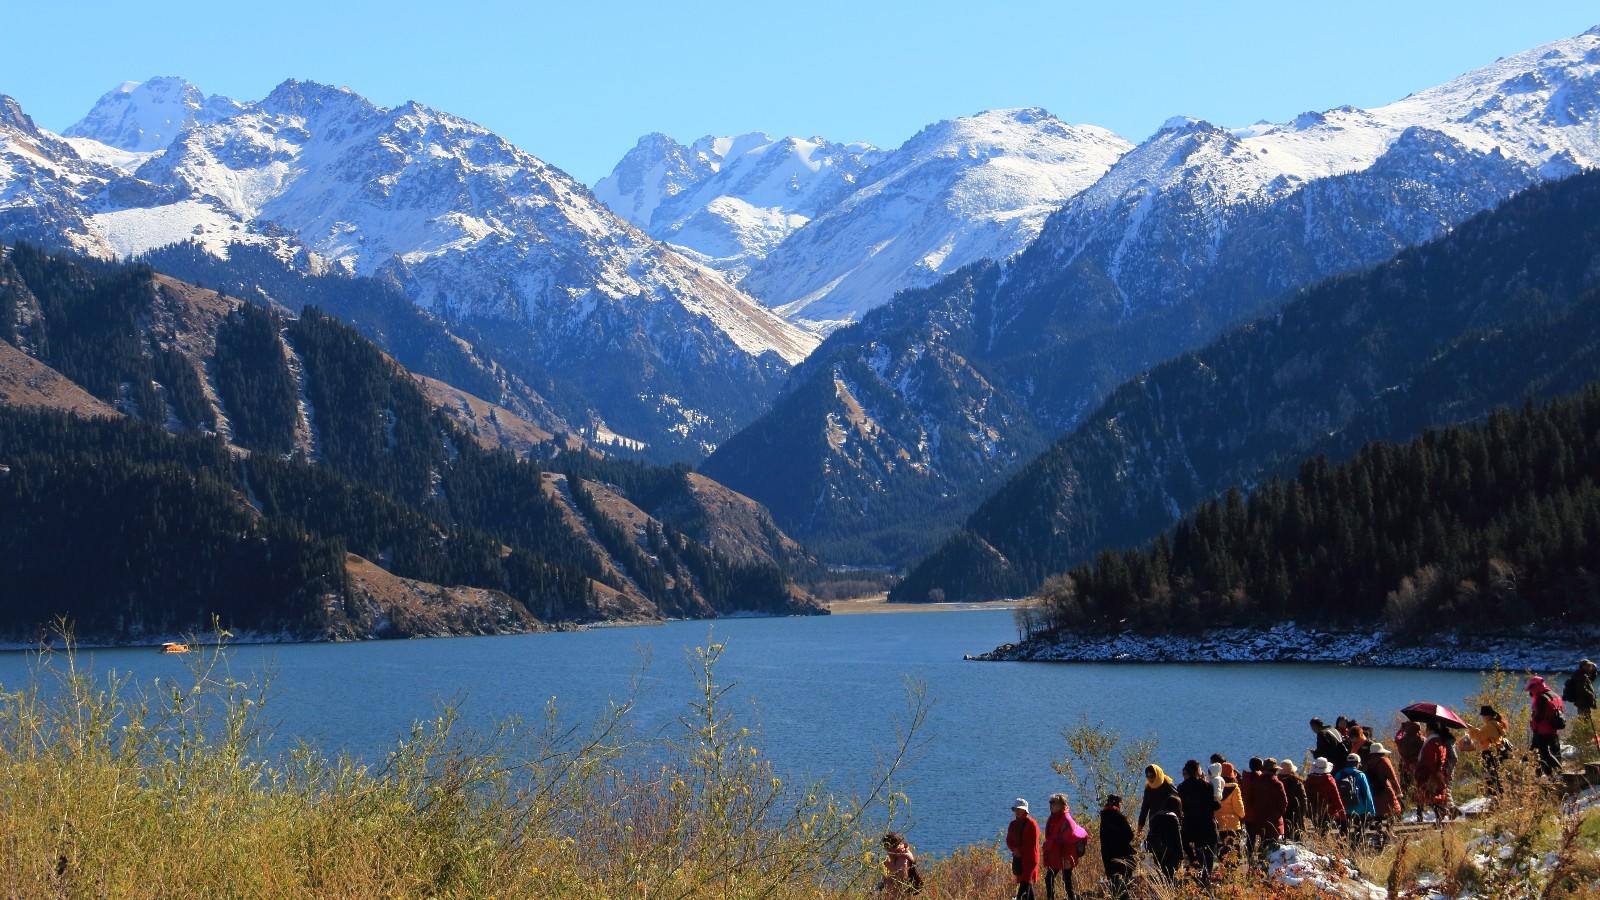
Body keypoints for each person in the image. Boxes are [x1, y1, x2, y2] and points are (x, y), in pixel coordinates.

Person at [1177, 760, 1221, 883]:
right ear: (1197, 771)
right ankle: (1206, 878)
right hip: (1206, 825)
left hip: (1190, 826)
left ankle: (1197, 876)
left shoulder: (1181, 787)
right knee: (1209, 854)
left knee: (1196, 854)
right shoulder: (1207, 786)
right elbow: (1213, 805)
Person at [1041, 793, 1088, 900]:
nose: (1051, 805)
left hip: (1066, 854)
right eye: (1050, 803)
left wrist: (1056, 843)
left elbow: (1068, 836)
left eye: (1054, 803)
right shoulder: (1053, 818)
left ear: (1061, 805)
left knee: (1066, 880)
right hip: (1056, 854)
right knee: (1049, 879)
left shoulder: (1067, 819)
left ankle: (1070, 898)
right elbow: (1049, 836)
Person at [1243, 757, 1288, 860]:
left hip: (1258, 820)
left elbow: (1251, 800)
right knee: (1273, 848)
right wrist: (1278, 815)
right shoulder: (1277, 784)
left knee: (1261, 847)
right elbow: (1284, 803)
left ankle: (1259, 866)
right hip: (1274, 821)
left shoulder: (1256, 782)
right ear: (1275, 770)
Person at [1364, 743, 1404, 848]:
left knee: (1378, 815)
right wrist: (1399, 791)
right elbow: (1392, 777)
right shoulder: (1384, 761)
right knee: (1393, 811)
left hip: (1373, 792)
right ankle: (1389, 834)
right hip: (1385, 791)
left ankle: (1379, 835)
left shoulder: (1368, 762)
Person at [1467, 705, 1512, 796]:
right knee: (1496, 774)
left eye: (1483, 716)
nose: (1482, 718)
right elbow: (1484, 735)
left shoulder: (1490, 725)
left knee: (1489, 775)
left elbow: (1479, 736)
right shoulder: (1496, 724)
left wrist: (1471, 729)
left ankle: (1494, 796)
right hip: (1495, 752)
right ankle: (1499, 795)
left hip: (1489, 753)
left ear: (1487, 716)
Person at [1529, 675, 1569, 777]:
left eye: (1531, 688)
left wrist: (1533, 718)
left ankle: (1556, 773)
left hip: (1542, 730)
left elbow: (1539, 717)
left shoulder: (1541, 698)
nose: (1531, 692)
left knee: (1540, 753)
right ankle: (1550, 774)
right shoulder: (1555, 695)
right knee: (1555, 752)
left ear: (1536, 686)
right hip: (1554, 728)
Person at [1334, 753, 1376, 845]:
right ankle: (1356, 850)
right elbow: (1367, 794)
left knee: (1344, 833)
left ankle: (1343, 852)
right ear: (1357, 763)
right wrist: (1371, 811)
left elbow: (1334, 792)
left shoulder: (1339, 774)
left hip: (1343, 810)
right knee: (1359, 833)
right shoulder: (1360, 775)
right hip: (1359, 810)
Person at [1099, 795, 1136, 900]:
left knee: (1115, 885)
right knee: (1125, 883)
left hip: (1108, 856)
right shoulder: (1119, 817)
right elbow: (1130, 835)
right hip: (1122, 855)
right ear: (1118, 804)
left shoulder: (1104, 818)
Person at [1413, 723, 1451, 821]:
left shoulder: (1432, 742)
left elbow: (1429, 759)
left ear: (1431, 730)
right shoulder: (1439, 741)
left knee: (1430, 795)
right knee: (1434, 795)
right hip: (1438, 773)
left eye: (1427, 728)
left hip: (1429, 773)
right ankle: (1441, 815)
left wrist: (1422, 771)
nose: (1425, 731)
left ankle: (1442, 813)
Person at [1006, 798, 1042, 900]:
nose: (1017, 811)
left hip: (1030, 859)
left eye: (1019, 809)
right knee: (1027, 884)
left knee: (1024, 884)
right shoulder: (1012, 824)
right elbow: (1009, 840)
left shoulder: (1032, 824)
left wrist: (1019, 851)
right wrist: (1014, 849)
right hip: (1019, 859)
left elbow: (1031, 844)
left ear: (1025, 810)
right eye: (1016, 809)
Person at [1304, 757, 1347, 836]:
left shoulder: (1309, 779)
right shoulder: (1329, 780)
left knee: (1314, 834)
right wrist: (1343, 816)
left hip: (1311, 812)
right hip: (1327, 813)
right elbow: (1336, 798)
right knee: (1324, 834)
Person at [1146, 794, 1184, 881]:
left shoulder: (1155, 816)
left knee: (1161, 876)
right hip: (1171, 853)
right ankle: (1170, 893)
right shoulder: (1173, 818)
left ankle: (1161, 892)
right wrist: (1181, 856)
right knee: (1171, 878)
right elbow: (1177, 839)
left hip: (1157, 852)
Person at [1215, 768, 1245, 864]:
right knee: (1234, 853)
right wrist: (1242, 815)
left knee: (1221, 853)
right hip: (1233, 825)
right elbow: (1239, 808)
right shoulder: (1235, 788)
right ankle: (1233, 874)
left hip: (1218, 824)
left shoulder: (1214, 787)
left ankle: (1223, 874)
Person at [1138, 764, 1180, 832]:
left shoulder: (1168, 786)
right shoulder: (1148, 789)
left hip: (1169, 823)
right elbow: (1144, 809)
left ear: (1157, 774)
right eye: (1147, 776)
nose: (1150, 778)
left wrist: (1179, 821)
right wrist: (1140, 827)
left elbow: (1178, 803)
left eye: (1152, 776)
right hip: (1154, 823)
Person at [879, 832, 920, 898]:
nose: (886, 850)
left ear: (890, 846)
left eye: (886, 847)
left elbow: (902, 879)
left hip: (900, 895)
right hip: (893, 894)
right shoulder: (894, 855)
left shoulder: (903, 857)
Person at [1278, 759, 1307, 841]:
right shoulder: (1297, 783)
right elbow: (1303, 800)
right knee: (1296, 840)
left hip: (1281, 816)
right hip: (1295, 816)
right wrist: (1302, 815)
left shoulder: (1276, 782)